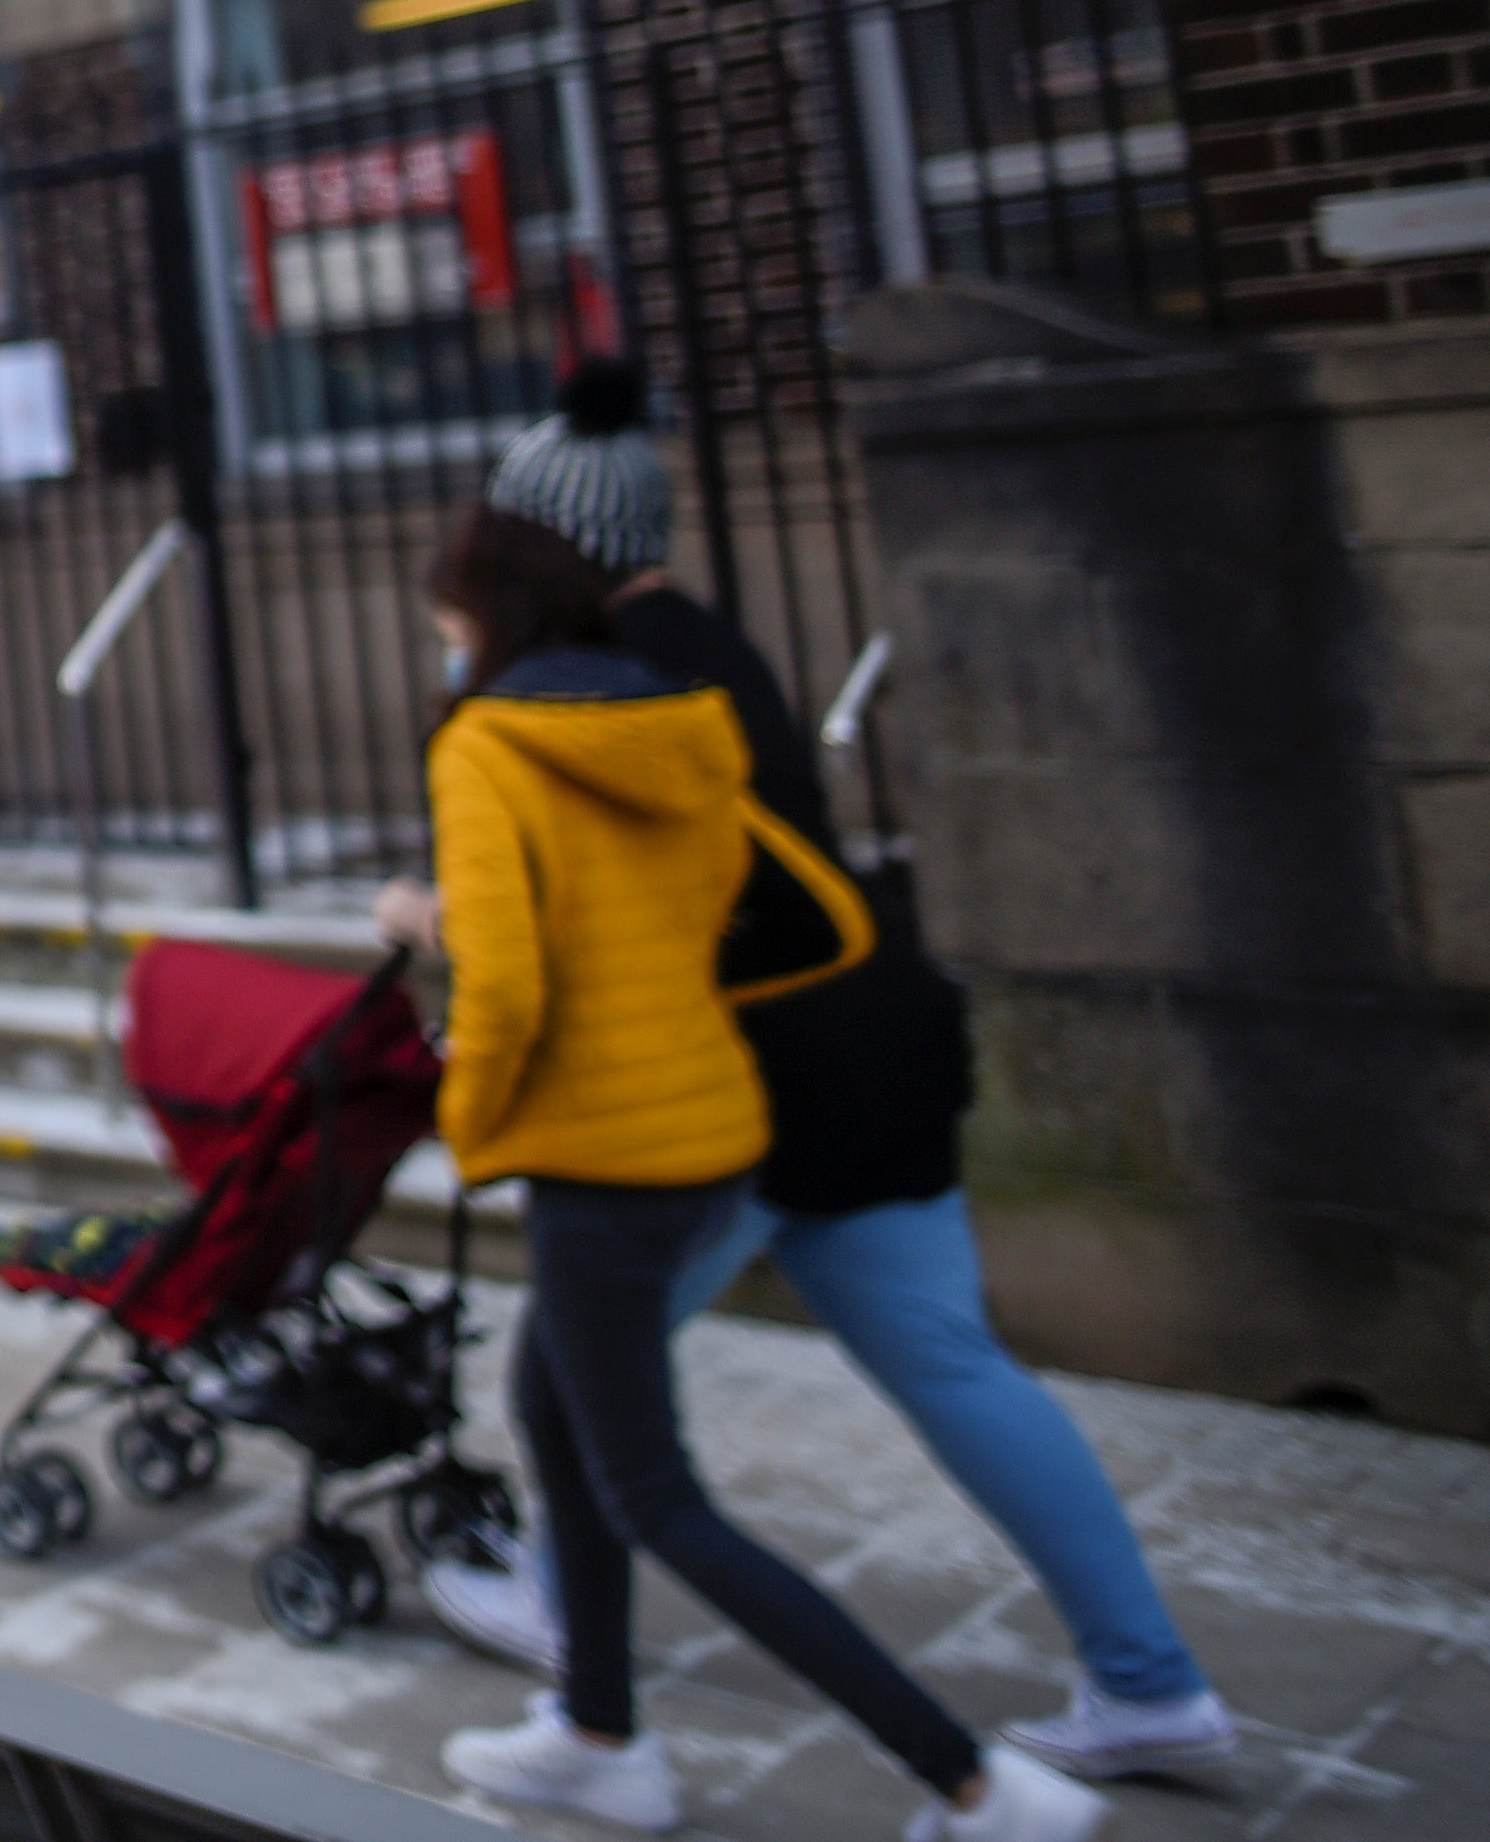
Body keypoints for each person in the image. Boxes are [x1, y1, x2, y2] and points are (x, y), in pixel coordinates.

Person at [421, 365, 1234, 1785]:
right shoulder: (713, 650)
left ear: (543, 549)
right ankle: (1149, 1680)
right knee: (952, 1365)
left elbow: (607, 930)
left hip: (739, 1092)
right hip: (880, 1061)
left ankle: (582, 1660)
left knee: (579, 1385)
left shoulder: (594, 691)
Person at [382, 503, 1097, 1841]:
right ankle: (598, 1732)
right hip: (710, 1123)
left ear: (485, 626)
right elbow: (752, 908)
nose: (445, 655)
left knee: (655, 1493)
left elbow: (510, 980)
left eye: (446, 633)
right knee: (553, 1406)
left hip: (600, 1150)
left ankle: (974, 1783)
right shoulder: (673, 723)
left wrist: (471, 1110)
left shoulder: (488, 745)